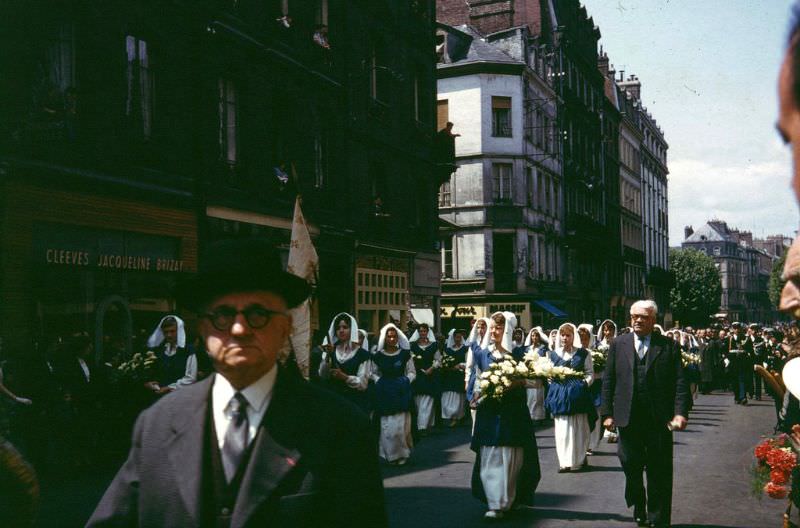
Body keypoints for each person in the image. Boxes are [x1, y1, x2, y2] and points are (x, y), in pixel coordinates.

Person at [88, 238, 387, 527]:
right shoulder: (157, 424)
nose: (240, 328)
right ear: (203, 330)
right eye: (222, 314)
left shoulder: (343, 430)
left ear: (285, 328)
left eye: (258, 313)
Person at [601, 300, 690, 528]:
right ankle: (638, 501)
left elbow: (680, 382)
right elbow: (608, 382)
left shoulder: (668, 346)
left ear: (653, 320)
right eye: (634, 317)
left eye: (643, 317)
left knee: (658, 469)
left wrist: (680, 413)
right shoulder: (618, 344)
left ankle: (657, 518)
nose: (638, 320)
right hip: (627, 418)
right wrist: (607, 414)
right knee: (630, 464)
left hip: (659, 420)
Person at [468, 312, 540, 520]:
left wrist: (516, 382)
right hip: (490, 412)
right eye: (492, 327)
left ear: (506, 330)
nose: (493, 331)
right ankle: (494, 502)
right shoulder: (483, 353)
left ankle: (510, 497)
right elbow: (480, 378)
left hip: (513, 411)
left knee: (512, 455)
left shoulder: (519, 354)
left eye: (498, 328)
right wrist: (476, 395)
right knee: (490, 454)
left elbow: (534, 381)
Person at [545, 323, 595, 472]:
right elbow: (549, 374)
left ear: (574, 337)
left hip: (578, 397)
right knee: (562, 429)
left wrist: (582, 385)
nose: (565, 338)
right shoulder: (553, 355)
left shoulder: (583, 354)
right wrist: (555, 384)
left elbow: (589, 373)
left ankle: (579, 460)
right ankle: (565, 462)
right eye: (562, 335)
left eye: (568, 335)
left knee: (579, 428)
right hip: (560, 397)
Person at [370, 323, 415, 465]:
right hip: (385, 393)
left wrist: (405, 381)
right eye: (389, 337)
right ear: (385, 338)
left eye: (394, 336)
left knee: (400, 427)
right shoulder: (378, 356)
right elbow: (373, 372)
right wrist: (380, 382)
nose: (392, 339)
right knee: (387, 428)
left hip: (401, 392)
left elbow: (412, 372)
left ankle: (402, 454)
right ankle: (390, 455)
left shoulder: (405, 354)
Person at [318, 313, 373, 415]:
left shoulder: (363, 355)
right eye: (338, 328)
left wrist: (345, 377)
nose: (341, 330)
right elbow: (323, 375)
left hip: (354, 404)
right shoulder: (331, 351)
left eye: (345, 327)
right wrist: (327, 356)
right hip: (334, 402)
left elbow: (363, 384)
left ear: (352, 330)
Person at [144, 315, 196, 395]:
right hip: (160, 395)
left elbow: (191, 378)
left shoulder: (188, 350)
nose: (169, 335)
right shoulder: (161, 350)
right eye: (166, 332)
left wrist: (169, 387)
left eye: (172, 331)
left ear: (179, 331)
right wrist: (152, 383)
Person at [409, 323, 440, 435]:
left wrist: (431, 368)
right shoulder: (412, 345)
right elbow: (410, 360)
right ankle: (419, 425)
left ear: (427, 332)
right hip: (418, 376)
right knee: (418, 401)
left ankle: (424, 426)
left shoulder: (434, 345)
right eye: (420, 331)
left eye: (424, 331)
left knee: (428, 401)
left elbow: (438, 359)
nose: (422, 333)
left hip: (430, 376)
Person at [465, 317, 490, 429]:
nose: (481, 329)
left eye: (483, 327)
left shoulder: (492, 342)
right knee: (475, 405)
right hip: (477, 377)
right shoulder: (474, 344)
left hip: (490, 377)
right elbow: (470, 363)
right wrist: (467, 380)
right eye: (478, 327)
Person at [595, 320, 617, 445]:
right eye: (605, 330)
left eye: (610, 330)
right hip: (603, 376)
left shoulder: (618, 343)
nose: (607, 332)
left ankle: (613, 431)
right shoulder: (599, 345)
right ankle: (606, 428)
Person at [440, 329, 468, 427]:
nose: (458, 339)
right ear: (453, 338)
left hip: (459, 376)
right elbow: (443, 361)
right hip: (449, 375)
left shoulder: (465, 349)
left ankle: (457, 417)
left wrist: (460, 365)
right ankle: (450, 415)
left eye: (460, 337)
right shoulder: (448, 350)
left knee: (458, 397)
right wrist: (448, 366)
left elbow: (468, 362)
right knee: (447, 396)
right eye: (456, 337)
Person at [523, 327, 549, 423]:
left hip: (539, 374)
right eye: (533, 336)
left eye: (536, 336)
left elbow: (545, 359)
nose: (534, 337)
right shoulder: (527, 349)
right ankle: (530, 416)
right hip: (529, 374)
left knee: (538, 396)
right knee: (530, 396)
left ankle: (539, 417)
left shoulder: (543, 348)